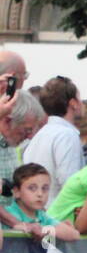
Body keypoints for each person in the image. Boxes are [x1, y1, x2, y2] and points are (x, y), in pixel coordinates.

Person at [22, 76, 85, 202]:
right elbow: (69, 184)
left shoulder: (40, 135)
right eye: (79, 98)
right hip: (58, 215)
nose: (82, 103)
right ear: (73, 103)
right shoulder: (67, 135)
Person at [4, 163, 79, 242]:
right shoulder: (8, 214)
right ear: (16, 191)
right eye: (32, 188)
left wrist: (44, 230)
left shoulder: (41, 216)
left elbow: (74, 234)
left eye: (45, 188)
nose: (40, 194)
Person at [0, 84, 41, 226]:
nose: (30, 136)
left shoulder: (10, 145)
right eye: (26, 130)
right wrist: (19, 224)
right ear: (7, 121)